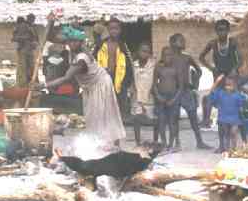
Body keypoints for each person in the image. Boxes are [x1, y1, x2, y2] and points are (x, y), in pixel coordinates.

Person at [37, 24, 126, 152]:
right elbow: (51, 37)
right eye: (70, 41)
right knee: (93, 116)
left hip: (100, 85)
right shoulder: (73, 47)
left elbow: (66, 78)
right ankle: (100, 145)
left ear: (80, 42)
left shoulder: (81, 59)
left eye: (75, 41)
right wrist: (50, 22)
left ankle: (112, 146)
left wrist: (44, 85)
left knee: (104, 115)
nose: (71, 44)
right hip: (90, 86)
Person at [169, 34, 211, 149]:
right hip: (174, 91)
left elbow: (198, 70)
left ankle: (199, 142)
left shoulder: (187, 58)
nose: (184, 42)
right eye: (180, 41)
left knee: (193, 116)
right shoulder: (169, 58)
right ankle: (177, 143)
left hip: (186, 91)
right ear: (172, 43)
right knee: (174, 118)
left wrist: (195, 83)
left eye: (184, 40)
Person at [199, 19, 242, 128]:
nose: (221, 32)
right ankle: (206, 121)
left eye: (223, 30)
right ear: (216, 31)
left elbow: (241, 59)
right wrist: (211, 68)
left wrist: (234, 69)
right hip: (218, 78)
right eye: (219, 30)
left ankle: (236, 122)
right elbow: (201, 57)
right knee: (207, 99)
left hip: (231, 79)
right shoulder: (213, 43)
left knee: (234, 99)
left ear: (228, 30)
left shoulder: (233, 42)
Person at [94, 18, 134, 118]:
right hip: (103, 79)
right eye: (111, 28)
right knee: (103, 106)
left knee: (118, 108)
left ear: (120, 30)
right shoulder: (101, 44)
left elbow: (129, 63)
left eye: (116, 28)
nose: (114, 31)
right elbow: (93, 61)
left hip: (119, 80)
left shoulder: (123, 45)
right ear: (108, 29)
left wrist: (127, 82)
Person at [152, 47, 182, 151]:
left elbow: (180, 87)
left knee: (172, 122)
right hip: (161, 98)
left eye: (169, 55)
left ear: (173, 56)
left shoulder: (176, 69)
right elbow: (154, 85)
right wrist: (158, 96)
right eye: (165, 55)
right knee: (161, 121)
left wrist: (174, 100)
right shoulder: (158, 68)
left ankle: (171, 143)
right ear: (162, 56)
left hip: (173, 98)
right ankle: (164, 143)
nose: (167, 57)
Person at [209, 75, 247, 153]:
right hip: (223, 119)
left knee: (233, 132)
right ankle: (227, 149)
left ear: (234, 86)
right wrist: (216, 82)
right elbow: (211, 94)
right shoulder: (220, 93)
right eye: (227, 85)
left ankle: (233, 149)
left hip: (234, 120)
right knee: (226, 135)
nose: (228, 87)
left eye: (230, 85)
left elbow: (241, 105)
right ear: (224, 86)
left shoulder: (237, 95)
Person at [130, 42, 159, 146]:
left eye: (147, 52)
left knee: (154, 119)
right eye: (143, 51)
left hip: (150, 96)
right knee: (136, 119)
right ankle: (138, 142)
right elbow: (132, 78)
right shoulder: (134, 64)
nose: (145, 54)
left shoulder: (153, 64)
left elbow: (156, 77)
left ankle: (155, 140)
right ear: (138, 52)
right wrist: (132, 89)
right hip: (137, 96)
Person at [12, 14, 39, 87]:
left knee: (32, 68)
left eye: (33, 19)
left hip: (30, 51)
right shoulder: (22, 26)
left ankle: (33, 84)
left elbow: (36, 39)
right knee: (22, 69)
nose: (32, 20)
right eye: (31, 18)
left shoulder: (32, 27)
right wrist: (26, 39)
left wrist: (34, 43)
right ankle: (22, 86)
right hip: (23, 50)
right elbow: (14, 38)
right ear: (27, 18)